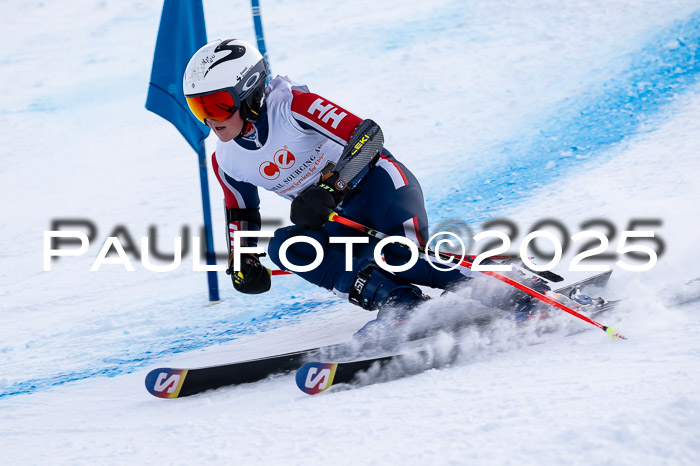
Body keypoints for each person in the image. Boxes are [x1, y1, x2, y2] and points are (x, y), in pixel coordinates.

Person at [183, 39, 538, 333]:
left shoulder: (293, 106)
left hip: (380, 186)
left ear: (252, 94)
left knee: (401, 258)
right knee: (289, 247)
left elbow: (368, 136)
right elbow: (241, 211)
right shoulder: (225, 159)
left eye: (219, 104)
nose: (211, 119)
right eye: (199, 108)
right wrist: (243, 259)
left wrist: (332, 188)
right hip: (336, 220)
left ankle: (511, 285)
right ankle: (399, 304)